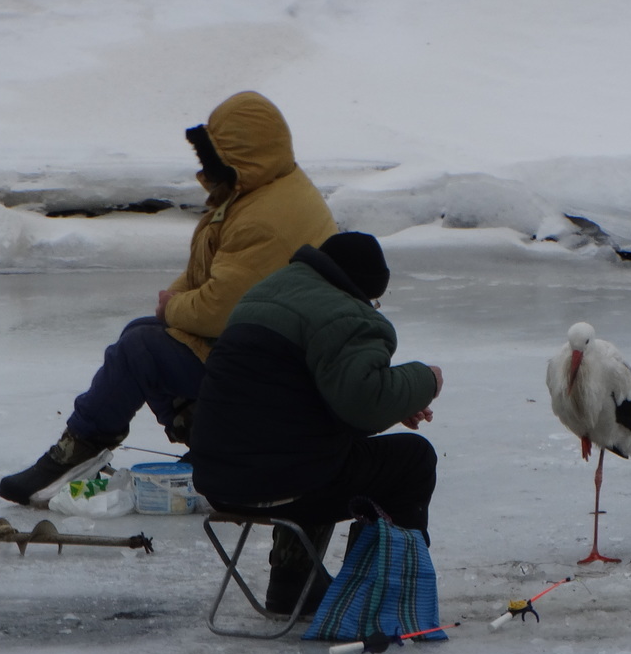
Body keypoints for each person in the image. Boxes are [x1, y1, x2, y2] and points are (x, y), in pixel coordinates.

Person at [0, 91, 338, 505]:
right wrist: (175, 300)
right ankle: (213, 445)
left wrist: (173, 306)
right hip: (279, 364)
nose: (206, 169)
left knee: (139, 350)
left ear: (241, 156)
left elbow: (220, 311)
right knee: (144, 333)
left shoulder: (264, 217)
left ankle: (78, 452)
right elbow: (218, 271)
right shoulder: (268, 189)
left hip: (281, 382)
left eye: (213, 156)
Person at [188, 231, 443, 616]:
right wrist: (425, 381)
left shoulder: (266, 293)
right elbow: (362, 406)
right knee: (413, 460)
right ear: (366, 291)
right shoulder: (347, 315)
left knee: (318, 451)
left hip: (219, 482)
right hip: (291, 482)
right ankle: (385, 592)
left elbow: (305, 402)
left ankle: (292, 586)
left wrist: (395, 402)